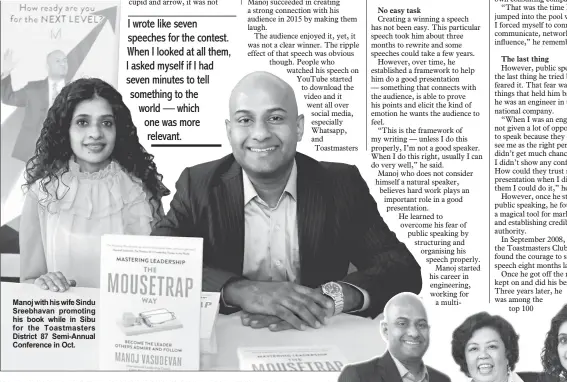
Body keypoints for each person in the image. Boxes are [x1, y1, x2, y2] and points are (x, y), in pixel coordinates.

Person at [152, 71, 421, 330]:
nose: (260, 133)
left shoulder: (341, 184)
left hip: (317, 332)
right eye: (245, 120)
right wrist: (240, 290)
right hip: (229, 336)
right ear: (229, 130)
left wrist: (331, 298)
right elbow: (156, 263)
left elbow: (401, 267)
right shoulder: (197, 184)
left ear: (299, 126)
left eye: (276, 118)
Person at [20, 77, 169, 290]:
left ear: (118, 130)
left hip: (128, 319)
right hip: (68, 318)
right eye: (82, 122)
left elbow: (164, 276)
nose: (96, 133)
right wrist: (43, 283)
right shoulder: (41, 192)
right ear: (66, 129)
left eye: (106, 123)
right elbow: (27, 281)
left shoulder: (141, 190)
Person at [1, 49, 69, 162]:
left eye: (65, 61)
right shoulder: (32, 89)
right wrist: (6, 73)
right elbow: (9, 98)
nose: (63, 64)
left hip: (63, 155)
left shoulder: (76, 91)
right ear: (48, 66)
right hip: (30, 155)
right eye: (58, 61)